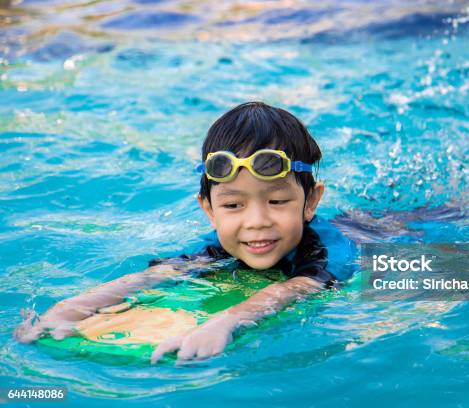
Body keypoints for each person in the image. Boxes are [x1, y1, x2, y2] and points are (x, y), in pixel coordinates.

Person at [14, 102, 358, 363]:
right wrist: (71, 308)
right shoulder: (221, 246)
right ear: (208, 209)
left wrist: (226, 322)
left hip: (380, 230)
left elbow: (296, 288)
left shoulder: (325, 249)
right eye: (233, 206)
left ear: (310, 201)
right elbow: (156, 275)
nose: (256, 221)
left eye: (278, 200)